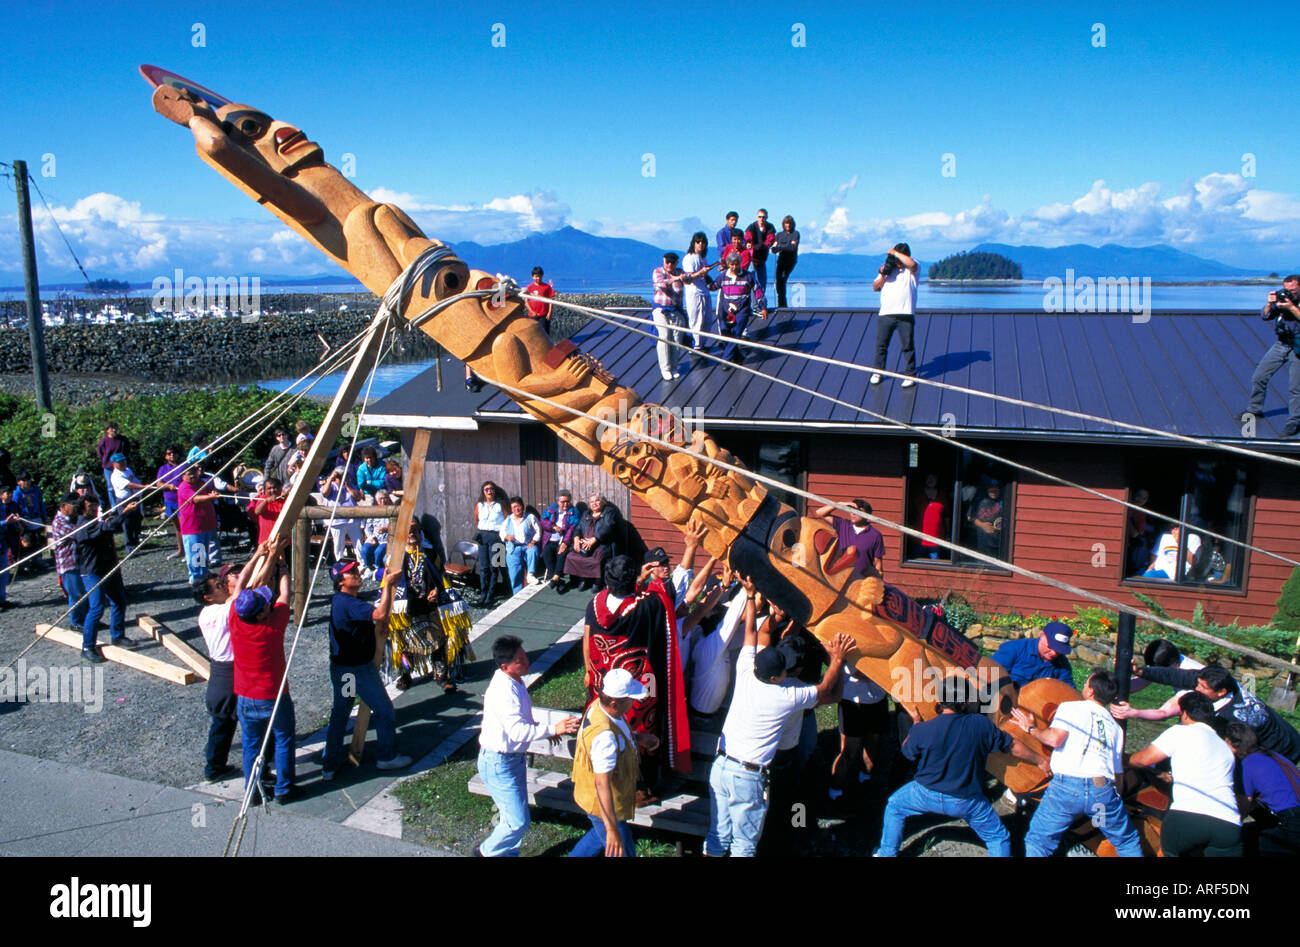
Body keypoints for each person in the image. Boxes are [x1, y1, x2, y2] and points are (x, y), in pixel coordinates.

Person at [705, 576, 853, 857]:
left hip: (721, 765)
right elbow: (825, 692)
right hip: (750, 775)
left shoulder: (747, 670)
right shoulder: (787, 696)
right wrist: (837, 659)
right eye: (784, 670)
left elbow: (753, 633)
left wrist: (751, 598)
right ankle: (789, 833)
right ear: (775, 676)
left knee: (718, 835)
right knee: (745, 846)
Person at [876, 678, 1047, 857]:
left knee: (895, 806)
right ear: (965, 703)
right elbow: (1013, 746)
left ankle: (886, 853)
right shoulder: (980, 725)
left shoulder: (924, 729)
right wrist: (1040, 760)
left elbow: (907, 750)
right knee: (998, 837)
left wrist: (916, 725)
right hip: (966, 800)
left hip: (925, 793)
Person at [583, 554, 691, 795]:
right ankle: (641, 788)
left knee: (604, 731)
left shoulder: (595, 604)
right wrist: (691, 548)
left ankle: (601, 778)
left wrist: (589, 668)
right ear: (632, 580)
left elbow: (587, 634)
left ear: (607, 582)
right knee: (642, 731)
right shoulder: (647, 606)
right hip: (636, 685)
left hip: (603, 684)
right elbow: (671, 593)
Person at [1011, 670, 1144, 856]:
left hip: (1066, 789)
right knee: (1126, 841)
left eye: (1086, 684)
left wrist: (1031, 728)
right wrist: (1114, 803)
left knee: (1039, 841)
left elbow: (1055, 739)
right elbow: (1118, 774)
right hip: (1102, 790)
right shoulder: (1115, 727)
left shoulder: (1070, 708)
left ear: (1090, 691)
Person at [478, 634, 581, 856]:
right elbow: (517, 732)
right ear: (505, 666)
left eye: (525, 657)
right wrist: (553, 729)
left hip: (511, 760)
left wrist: (541, 729)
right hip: (499, 762)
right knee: (517, 822)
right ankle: (486, 852)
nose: (526, 662)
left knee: (511, 816)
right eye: (520, 661)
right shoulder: (504, 692)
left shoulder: (515, 680)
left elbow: (522, 719)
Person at [322, 559, 413, 779]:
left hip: (344, 670)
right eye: (350, 572)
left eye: (355, 569)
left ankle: (329, 765)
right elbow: (380, 614)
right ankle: (387, 757)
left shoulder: (343, 601)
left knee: (341, 713)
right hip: (358, 670)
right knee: (383, 710)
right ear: (340, 581)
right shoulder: (348, 603)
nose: (356, 573)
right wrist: (389, 585)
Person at [1129, 691, 1242, 856]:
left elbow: (1142, 760)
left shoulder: (1181, 732)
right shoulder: (1224, 746)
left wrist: (1123, 760)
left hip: (1187, 816)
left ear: (1185, 714)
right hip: (1229, 823)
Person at [227, 541, 296, 802]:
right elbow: (285, 595)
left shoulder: (235, 617)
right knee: (283, 739)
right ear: (260, 613)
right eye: (263, 604)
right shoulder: (272, 626)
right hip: (274, 696)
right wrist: (283, 566)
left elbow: (241, 587)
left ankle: (251, 791)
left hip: (245, 695)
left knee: (251, 746)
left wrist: (257, 555)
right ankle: (284, 789)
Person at [569, 668, 657, 857]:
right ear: (615, 703)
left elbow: (616, 733)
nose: (634, 702)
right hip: (605, 807)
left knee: (596, 837)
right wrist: (612, 830)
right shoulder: (605, 738)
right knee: (621, 850)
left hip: (595, 801)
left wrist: (637, 737)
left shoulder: (598, 707)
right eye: (630, 699)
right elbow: (602, 784)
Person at [1137, 663, 1300, 764]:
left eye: (1203, 688)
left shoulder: (1230, 718)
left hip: (1283, 749)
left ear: (1221, 692)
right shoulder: (1220, 681)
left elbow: (1231, 751)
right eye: (1198, 684)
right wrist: (1142, 672)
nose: (1196, 688)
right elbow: (1178, 676)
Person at [74, 494, 140, 662]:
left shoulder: (94, 522)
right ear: (82, 508)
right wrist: (124, 513)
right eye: (90, 506)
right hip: (92, 572)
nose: (94, 508)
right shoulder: (84, 525)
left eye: (96, 505)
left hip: (108, 569)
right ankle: (87, 646)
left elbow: (108, 527)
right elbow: (107, 528)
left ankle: (117, 636)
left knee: (119, 601)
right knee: (96, 608)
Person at [194, 561, 243, 781]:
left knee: (224, 721)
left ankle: (215, 765)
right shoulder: (223, 610)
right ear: (208, 596)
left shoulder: (204, 614)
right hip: (228, 670)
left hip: (220, 669)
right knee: (231, 719)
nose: (223, 587)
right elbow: (242, 588)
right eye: (218, 586)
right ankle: (214, 767)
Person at [1224, 721, 1300, 856]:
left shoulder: (1247, 765)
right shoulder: (1273, 755)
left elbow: (1243, 807)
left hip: (1290, 822)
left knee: (1243, 842)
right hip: (1291, 813)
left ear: (1230, 743)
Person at [1239, 274, 1300, 437]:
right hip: (1282, 343)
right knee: (1259, 377)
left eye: (1293, 290)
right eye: (1287, 290)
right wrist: (1270, 303)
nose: (1289, 293)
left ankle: (1295, 421)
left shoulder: (1292, 304)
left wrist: (1292, 308)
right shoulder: (1282, 298)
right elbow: (1265, 315)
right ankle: (1254, 409)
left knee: (1296, 388)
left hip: (1299, 346)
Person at [829, 664, 889, 801]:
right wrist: (883, 672)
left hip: (878, 699)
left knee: (873, 743)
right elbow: (859, 672)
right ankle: (835, 791)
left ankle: (865, 779)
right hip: (852, 702)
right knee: (849, 751)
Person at [870, 242, 919, 387]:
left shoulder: (912, 269)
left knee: (908, 346)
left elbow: (912, 264)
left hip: (905, 313)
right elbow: (875, 287)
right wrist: (883, 275)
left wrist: (895, 253)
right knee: (881, 345)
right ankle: (878, 371)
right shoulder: (888, 270)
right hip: (886, 313)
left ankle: (910, 374)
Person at [715, 251, 767, 367]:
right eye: (732, 264)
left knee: (736, 332)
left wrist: (763, 307)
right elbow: (713, 286)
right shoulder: (723, 277)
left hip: (742, 309)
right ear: (728, 264)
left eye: (736, 264)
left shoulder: (748, 277)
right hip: (726, 309)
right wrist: (705, 276)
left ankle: (726, 360)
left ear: (740, 264)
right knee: (724, 331)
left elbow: (758, 291)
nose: (734, 267)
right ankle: (737, 354)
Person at [991, 621, 1074, 689]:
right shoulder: (1014, 649)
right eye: (1050, 647)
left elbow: (1069, 692)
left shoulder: (1062, 664)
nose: (1054, 653)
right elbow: (989, 676)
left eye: (1059, 650)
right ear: (1042, 636)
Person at [813, 498, 885, 578]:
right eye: (852, 510)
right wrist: (840, 504)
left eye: (857, 512)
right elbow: (819, 513)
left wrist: (878, 581)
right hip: (839, 579)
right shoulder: (843, 525)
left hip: (861, 580)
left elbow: (878, 563)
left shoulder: (875, 535)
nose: (853, 514)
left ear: (867, 515)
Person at [563, 493, 622, 590]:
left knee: (596, 559)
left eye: (597, 500)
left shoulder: (609, 513)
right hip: (585, 542)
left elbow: (608, 527)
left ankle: (597, 581)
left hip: (601, 543)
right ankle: (583, 579)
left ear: (602, 502)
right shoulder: (586, 514)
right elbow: (578, 528)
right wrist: (576, 539)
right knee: (571, 556)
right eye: (592, 501)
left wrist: (594, 539)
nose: (594, 503)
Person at [177, 466, 223, 585]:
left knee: (203, 552)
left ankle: (203, 575)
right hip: (193, 526)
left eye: (193, 473)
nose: (192, 476)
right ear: (183, 476)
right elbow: (195, 499)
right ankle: (196, 578)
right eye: (189, 474)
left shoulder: (201, 483)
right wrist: (211, 497)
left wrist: (213, 493)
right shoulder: (184, 487)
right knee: (195, 553)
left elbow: (209, 491)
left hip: (205, 524)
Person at [50, 493, 89, 631]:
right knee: (76, 594)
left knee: (85, 592)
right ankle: (76, 622)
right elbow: (79, 533)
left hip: (79, 562)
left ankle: (87, 620)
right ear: (63, 506)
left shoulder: (74, 518)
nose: (76, 507)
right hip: (68, 564)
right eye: (73, 505)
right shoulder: (59, 522)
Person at [681, 232, 720, 355]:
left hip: (704, 291)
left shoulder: (703, 258)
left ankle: (702, 344)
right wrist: (700, 272)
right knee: (696, 319)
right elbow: (688, 278)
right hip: (694, 293)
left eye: (703, 242)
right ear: (694, 243)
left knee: (707, 319)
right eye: (698, 242)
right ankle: (696, 346)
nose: (701, 244)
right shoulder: (689, 258)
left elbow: (705, 275)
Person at [652, 252, 688, 381]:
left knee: (677, 337)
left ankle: (674, 366)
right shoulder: (658, 271)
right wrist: (676, 278)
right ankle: (665, 368)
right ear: (663, 261)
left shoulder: (680, 271)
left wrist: (697, 274)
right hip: (660, 310)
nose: (669, 265)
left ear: (676, 263)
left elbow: (689, 279)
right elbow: (661, 284)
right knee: (665, 336)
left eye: (672, 262)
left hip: (676, 310)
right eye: (667, 262)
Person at [319, 464, 364, 561]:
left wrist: (347, 486)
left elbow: (358, 497)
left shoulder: (350, 485)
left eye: (345, 475)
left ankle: (362, 564)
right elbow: (324, 493)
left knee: (358, 544)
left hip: (353, 520)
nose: (343, 478)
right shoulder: (330, 486)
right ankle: (340, 562)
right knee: (339, 545)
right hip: (337, 521)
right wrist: (330, 479)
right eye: (340, 476)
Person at [473, 480, 507, 603]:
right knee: (484, 567)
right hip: (482, 536)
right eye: (486, 489)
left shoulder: (501, 504)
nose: (489, 491)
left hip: (496, 537)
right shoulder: (479, 505)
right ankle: (483, 593)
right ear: (483, 491)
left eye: (491, 489)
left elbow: (507, 519)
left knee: (495, 566)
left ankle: (491, 595)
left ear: (495, 491)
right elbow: (476, 519)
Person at [499, 496, 540, 594]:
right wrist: (507, 537)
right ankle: (517, 594)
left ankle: (530, 575)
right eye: (513, 507)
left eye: (518, 506)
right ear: (511, 509)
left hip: (527, 546)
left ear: (523, 506)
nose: (516, 509)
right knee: (515, 574)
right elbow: (501, 532)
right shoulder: (508, 520)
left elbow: (538, 531)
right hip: (513, 548)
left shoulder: (530, 517)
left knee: (533, 550)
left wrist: (533, 541)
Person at [539, 489, 579, 587]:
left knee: (561, 554)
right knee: (546, 552)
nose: (565, 504)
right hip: (550, 539)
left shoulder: (574, 512)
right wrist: (553, 526)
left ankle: (556, 577)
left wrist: (565, 543)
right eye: (562, 502)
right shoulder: (550, 509)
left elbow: (572, 529)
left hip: (564, 540)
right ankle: (555, 578)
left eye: (567, 501)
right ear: (557, 502)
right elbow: (543, 520)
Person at [107, 453, 145, 552]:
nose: (123, 463)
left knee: (136, 521)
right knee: (127, 523)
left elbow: (134, 480)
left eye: (124, 461)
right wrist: (145, 487)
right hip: (124, 501)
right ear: (114, 464)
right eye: (120, 462)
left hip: (135, 498)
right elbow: (129, 485)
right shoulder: (115, 476)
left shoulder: (128, 470)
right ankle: (129, 547)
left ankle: (136, 543)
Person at [154, 446, 186, 560]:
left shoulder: (184, 467)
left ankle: (188, 550)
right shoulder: (163, 468)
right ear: (166, 456)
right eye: (169, 453)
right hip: (169, 500)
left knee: (184, 526)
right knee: (177, 527)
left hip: (181, 501)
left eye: (174, 453)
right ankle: (180, 549)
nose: (172, 455)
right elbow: (158, 483)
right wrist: (168, 486)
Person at [359, 489, 393, 580]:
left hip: (387, 540)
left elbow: (399, 527)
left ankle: (378, 569)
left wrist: (388, 529)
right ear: (377, 501)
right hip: (375, 538)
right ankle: (369, 567)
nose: (383, 501)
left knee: (378, 551)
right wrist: (371, 537)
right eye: (380, 499)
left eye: (385, 498)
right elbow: (368, 527)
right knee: (366, 549)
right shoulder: (374, 511)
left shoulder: (394, 510)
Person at [966, 481, 1004, 559]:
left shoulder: (1004, 501)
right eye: (991, 490)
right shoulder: (979, 500)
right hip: (983, 539)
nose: (993, 492)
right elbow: (969, 517)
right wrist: (982, 525)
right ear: (987, 490)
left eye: (996, 490)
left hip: (1000, 540)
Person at [744, 208, 777, 298]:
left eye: (763, 217)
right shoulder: (751, 227)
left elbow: (770, 240)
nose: (761, 219)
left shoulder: (770, 227)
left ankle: (761, 302)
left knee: (762, 282)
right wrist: (749, 243)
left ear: (766, 218)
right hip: (752, 258)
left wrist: (761, 247)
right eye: (760, 217)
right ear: (757, 217)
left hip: (762, 259)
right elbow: (748, 238)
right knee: (751, 280)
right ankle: (752, 304)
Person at [95, 422, 130, 500]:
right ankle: (114, 507)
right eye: (111, 428)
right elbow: (100, 453)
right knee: (111, 487)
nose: (114, 430)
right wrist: (105, 461)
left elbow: (127, 451)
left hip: (121, 466)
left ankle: (125, 502)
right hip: (108, 467)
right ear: (107, 430)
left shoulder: (122, 440)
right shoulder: (104, 441)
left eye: (115, 428)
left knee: (125, 484)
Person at [916, 473, 947, 559]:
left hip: (936, 536)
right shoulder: (919, 494)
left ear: (937, 481)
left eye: (933, 478)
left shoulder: (942, 495)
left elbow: (947, 516)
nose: (930, 480)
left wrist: (947, 533)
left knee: (935, 561)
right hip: (920, 536)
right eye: (928, 478)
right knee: (916, 559)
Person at [772, 215, 800, 308]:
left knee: (782, 280)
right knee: (779, 283)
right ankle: (782, 305)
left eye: (789, 223)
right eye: (786, 223)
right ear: (783, 224)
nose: (788, 225)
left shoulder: (795, 234)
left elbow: (792, 247)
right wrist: (776, 249)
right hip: (781, 261)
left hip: (790, 261)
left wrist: (780, 248)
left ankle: (783, 305)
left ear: (792, 224)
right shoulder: (779, 235)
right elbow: (774, 248)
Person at [524, 266, 555, 336]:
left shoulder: (547, 287)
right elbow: (526, 302)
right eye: (535, 276)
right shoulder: (529, 287)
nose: (537, 278)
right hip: (533, 316)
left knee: (544, 335)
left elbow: (551, 301)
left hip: (543, 315)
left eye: (539, 276)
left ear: (542, 276)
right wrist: (532, 311)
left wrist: (549, 313)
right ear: (532, 277)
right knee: (533, 334)